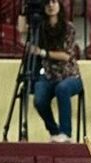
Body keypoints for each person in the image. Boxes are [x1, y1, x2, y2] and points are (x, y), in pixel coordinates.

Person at [21, 0, 83, 143]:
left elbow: (66, 55)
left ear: (59, 5)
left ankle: (66, 133)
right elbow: (21, 28)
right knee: (39, 99)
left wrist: (42, 52)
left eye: (54, 2)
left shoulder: (68, 27)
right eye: (47, 3)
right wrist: (23, 11)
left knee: (62, 88)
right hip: (49, 75)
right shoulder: (40, 27)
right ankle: (54, 132)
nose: (50, 5)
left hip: (70, 75)